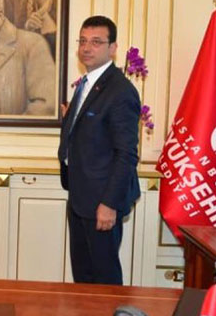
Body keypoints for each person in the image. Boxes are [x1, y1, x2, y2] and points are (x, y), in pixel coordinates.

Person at [57, 15, 141, 284]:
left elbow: (126, 154)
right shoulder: (87, 84)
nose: (86, 48)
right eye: (82, 41)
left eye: (96, 42)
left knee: (104, 279)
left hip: (102, 201)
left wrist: (109, 204)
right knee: (83, 277)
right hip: (80, 196)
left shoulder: (120, 91)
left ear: (112, 48)